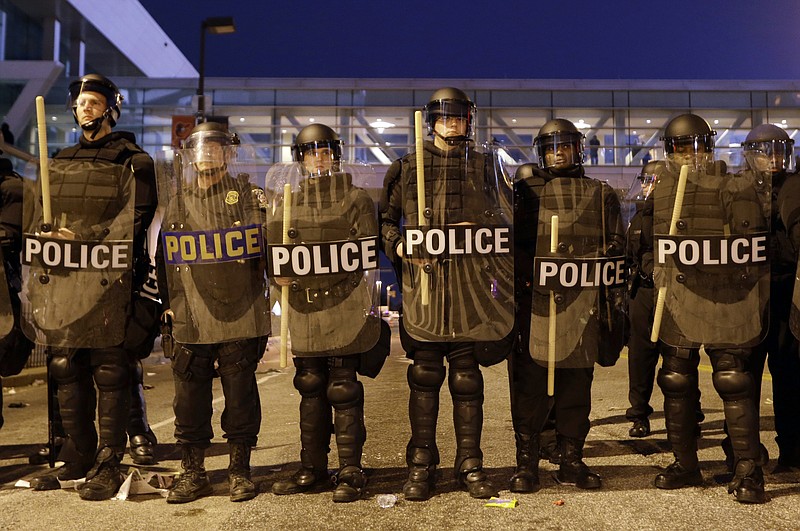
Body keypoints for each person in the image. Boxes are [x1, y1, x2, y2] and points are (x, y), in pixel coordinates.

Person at [25, 74, 158, 500]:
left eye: (94, 102)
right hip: (66, 282)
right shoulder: (58, 161)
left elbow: (135, 219)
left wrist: (83, 238)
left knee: (111, 368)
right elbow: (44, 214)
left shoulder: (134, 161)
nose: (86, 108)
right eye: (81, 102)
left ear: (110, 109)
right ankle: (77, 455)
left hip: (112, 280)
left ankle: (108, 459)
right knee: (66, 366)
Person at [380, 87, 514, 500]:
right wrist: (401, 247)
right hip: (424, 290)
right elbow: (384, 223)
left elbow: (505, 219)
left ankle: (470, 463)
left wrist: (482, 232)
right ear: (431, 121)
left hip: (470, 291)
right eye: (446, 117)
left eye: (460, 117)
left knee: (467, 378)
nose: (454, 124)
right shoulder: (405, 168)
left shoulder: (487, 166)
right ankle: (421, 464)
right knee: (424, 376)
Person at [642, 113, 769, 503]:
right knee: (676, 379)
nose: (689, 155)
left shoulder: (733, 185)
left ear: (710, 148)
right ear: (670, 150)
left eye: (696, 146)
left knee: (732, 379)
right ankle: (685, 463)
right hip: (679, 298)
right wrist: (653, 269)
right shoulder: (658, 187)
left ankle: (748, 469)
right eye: (681, 148)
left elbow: (751, 242)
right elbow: (644, 239)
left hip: (723, 297)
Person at [269, 124, 387, 503]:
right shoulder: (287, 199)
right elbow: (275, 251)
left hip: (343, 306)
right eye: (310, 153)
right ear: (299, 159)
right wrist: (279, 275)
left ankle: (351, 468)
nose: (318, 159)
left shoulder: (354, 198)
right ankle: (313, 467)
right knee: (309, 386)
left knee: (344, 385)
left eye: (324, 152)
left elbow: (366, 253)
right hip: (304, 308)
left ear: (335, 156)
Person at [508, 119, 625, 493]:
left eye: (565, 145)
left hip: (581, 302)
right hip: (535, 303)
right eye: (550, 146)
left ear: (579, 148)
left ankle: (571, 457)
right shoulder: (525, 192)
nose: (558, 152)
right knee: (530, 384)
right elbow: (510, 244)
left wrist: (584, 267)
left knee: (577, 383)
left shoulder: (600, 193)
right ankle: (526, 462)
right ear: (540, 152)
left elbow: (615, 246)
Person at [156, 121, 270, 504]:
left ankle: (239, 470)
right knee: (189, 398)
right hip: (191, 314)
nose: (208, 154)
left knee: (240, 397)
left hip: (240, 312)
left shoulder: (249, 197)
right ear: (190, 155)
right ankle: (193, 472)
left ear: (230, 154)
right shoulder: (178, 201)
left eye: (217, 147)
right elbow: (164, 258)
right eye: (201, 148)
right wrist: (169, 305)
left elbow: (269, 247)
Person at [624, 162, 703, 439]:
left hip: (676, 293)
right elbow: (634, 252)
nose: (648, 186)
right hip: (645, 292)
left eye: (653, 180)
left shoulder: (680, 211)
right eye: (645, 180)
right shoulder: (639, 214)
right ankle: (639, 414)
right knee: (641, 357)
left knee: (680, 355)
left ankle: (689, 412)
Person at [739, 124, 800, 471]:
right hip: (748, 296)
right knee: (742, 375)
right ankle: (743, 452)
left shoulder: (794, 186)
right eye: (766, 152)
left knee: (789, 375)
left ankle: (792, 449)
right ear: (751, 156)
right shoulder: (739, 189)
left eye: (779, 151)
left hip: (784, 292)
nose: (774, 159)